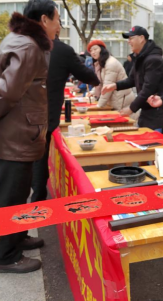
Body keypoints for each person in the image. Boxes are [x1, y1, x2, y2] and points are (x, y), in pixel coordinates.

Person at [0, 0, 59, 273]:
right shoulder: (28, 46)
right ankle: (5, 256)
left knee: (18, 191)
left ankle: (18, 237)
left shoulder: (21, 41)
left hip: (16, 132)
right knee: (10, 196)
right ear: (44, 20)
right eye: (57, 20)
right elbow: (6, 92)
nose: (59, 26)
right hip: (16, 134)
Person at [30, 23, 99, 203]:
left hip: (23, 115)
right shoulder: (60, 49)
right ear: (46, 21)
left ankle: (33, 197)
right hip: (45, 115)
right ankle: (37, 199)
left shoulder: (23, 44)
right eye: (57, 20)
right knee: (39, 158)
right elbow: (90, 77)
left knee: (28, 161)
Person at [102, 26, 163, 130]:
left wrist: (131, 108)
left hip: (157, 115)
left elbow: (148, 89)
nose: (129, 42)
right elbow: (131, 80)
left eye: (131, 38)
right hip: (146, 112)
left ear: (141, 38)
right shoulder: (140, 58)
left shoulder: (153, 60)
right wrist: (115, 86)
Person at [88, 40, 135, 110]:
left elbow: (107, 87)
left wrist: (99, 106)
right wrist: (93, 92)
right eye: (91, 51)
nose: (93, 52)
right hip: (116, 98)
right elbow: (101, 82)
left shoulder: (110, 63)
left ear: (102, 50)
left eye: (95, 49)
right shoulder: (102, 63)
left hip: (121, 99)